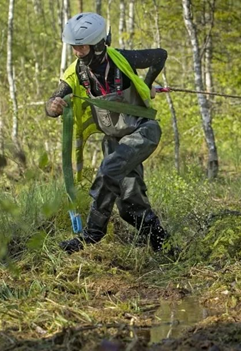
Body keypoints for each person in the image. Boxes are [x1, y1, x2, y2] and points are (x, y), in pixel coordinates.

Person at [45, 12, 169, 254]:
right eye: (74, 47)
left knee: (108, 170)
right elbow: (55, 98)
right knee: (130, 205)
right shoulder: (77, 72)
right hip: (114, 139)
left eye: (81, 47)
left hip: (142, 130)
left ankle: (92, 234)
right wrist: (53, 106)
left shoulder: (122, 59)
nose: (76, 52)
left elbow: (160, 55)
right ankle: (165, 245)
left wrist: (146, 83)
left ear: (99, 45)